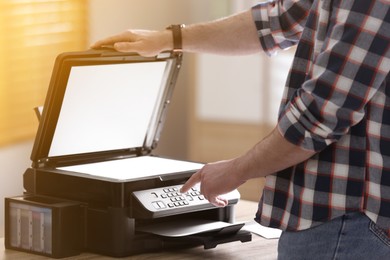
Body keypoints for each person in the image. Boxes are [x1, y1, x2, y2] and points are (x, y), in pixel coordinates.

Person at [92, 0, 390, 259]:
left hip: (345, 221)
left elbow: (322, 112)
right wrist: (169, 38)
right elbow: (275, 21)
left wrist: (237, 170)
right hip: (336, 219)